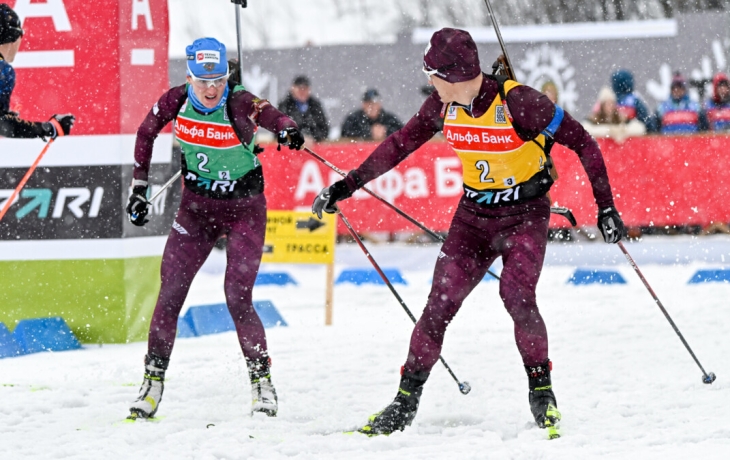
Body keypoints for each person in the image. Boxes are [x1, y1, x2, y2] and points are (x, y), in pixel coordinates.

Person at [312, 28, 625, 437]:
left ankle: (542, 394)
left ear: (455, 75)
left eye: (433, 74)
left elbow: (584, 142)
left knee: (516, 295)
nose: (429, 82)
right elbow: (398, 145)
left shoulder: (519, 101)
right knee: (438, 305)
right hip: (473, 218)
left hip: (525, 215)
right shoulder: (440, 106)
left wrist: (606, 208)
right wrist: (346, 186)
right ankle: (404, 403)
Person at [126, 37, 304, 420]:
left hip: (244, 211)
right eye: (203, 81)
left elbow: (272, 114)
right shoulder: (176, 99)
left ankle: (262, 384)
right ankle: (152, 383)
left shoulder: (239, 101)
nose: (210, 89)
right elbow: (145, 132)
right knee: (170, 292)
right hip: (196, 211)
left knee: (237, 297)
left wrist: (288, 129)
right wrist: (139, 187)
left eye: (219, 80)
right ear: (189, 76)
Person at [0, 4, 74, 139]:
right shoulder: (3, 70)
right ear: (14, 37)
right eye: (21, 34)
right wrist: (48, 128)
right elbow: (2, 124)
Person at [277, 75, 329, 143]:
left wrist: (312, 137)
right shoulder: (284, 106)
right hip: (290, 148)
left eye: (305, 89)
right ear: (293, 89)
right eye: (299, 88)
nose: (302, 92)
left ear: (309, 90)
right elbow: (278, 130)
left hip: (314, 148)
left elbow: (324, 129)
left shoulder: (315, 105)